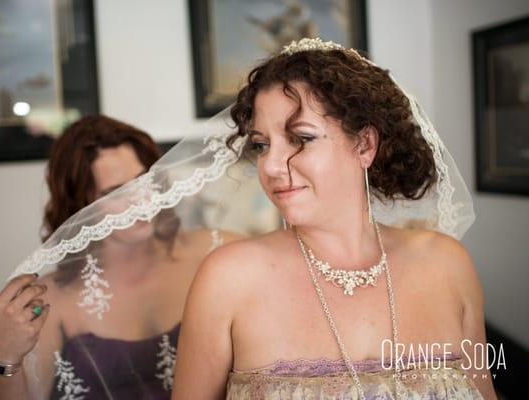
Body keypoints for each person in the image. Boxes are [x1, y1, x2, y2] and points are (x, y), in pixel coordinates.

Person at [171, 39, 497, 399]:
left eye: (300, 139)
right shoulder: (227, 279)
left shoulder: (447, 264)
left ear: (364, 146)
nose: (272, 165)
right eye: (261, 145)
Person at [0, 115, 240, 399]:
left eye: (143, 179)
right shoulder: (50, 301)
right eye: (115, 192)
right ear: (81, 205)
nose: (141, 200)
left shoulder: (217, 251)